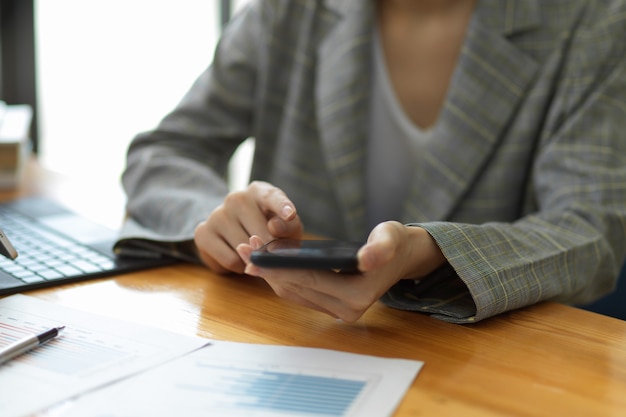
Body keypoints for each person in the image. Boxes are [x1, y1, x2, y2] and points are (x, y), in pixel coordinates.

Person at [119, 0, 626, 324]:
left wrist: (433, 252)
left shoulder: (593, 22)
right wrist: (215, 223)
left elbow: (591, 229)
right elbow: (164, 153)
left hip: (477, 362)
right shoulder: (290, 11)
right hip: (291, 340)